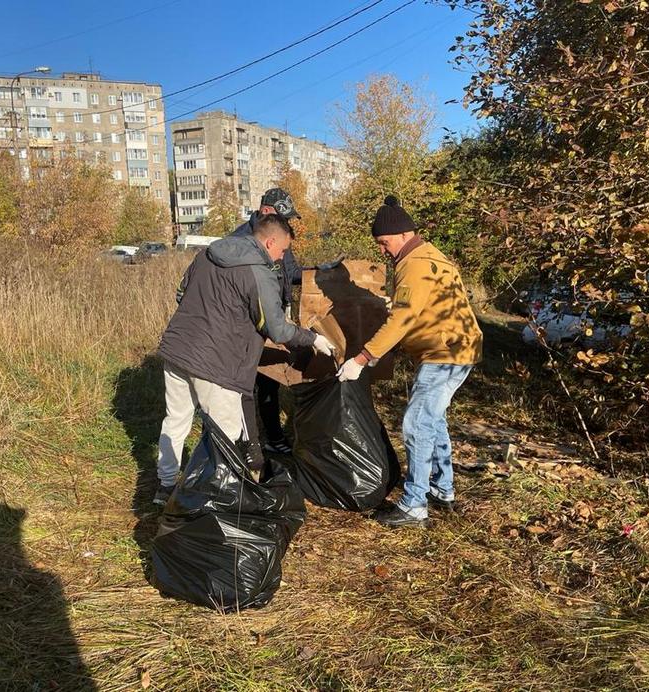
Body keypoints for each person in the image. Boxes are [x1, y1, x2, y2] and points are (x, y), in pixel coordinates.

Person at [155, 213, 335, 505]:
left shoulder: (208, 254)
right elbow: (276, 329)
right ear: (269, 240)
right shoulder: (257, 271)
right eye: (283, 250)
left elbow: (180, 293)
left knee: (175, 421)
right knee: (227, 433)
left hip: (177, 351)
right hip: (217, 365)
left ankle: (164, 488)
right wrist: (314, 339)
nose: (282, 257)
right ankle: (219, 499)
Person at [337, 196, 483, 528]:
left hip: (443, 353)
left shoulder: (413, 263)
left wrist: (362, 358)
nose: (383, 251)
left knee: (416, 424)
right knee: (433, 420)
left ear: (402, 234)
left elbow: (403, 319)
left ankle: (414, 505)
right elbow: (422, 305)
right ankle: (441, 489)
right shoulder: (433, 256)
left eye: (384, 243)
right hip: (460, 348)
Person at [230, 188, 341, 455]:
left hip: (276, 313)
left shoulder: (279, 234)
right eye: (285, 217)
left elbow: (290, 272)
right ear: (268, 211)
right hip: (249, 320)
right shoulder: (240, 241)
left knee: (271, 377)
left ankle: (271, 436)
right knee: (250, 379)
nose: (288, 224)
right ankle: (252, 441)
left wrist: (317, 272)